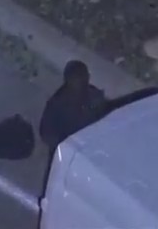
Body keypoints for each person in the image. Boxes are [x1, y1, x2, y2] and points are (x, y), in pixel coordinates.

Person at [37, 61, 107, 206]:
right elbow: (46, 132)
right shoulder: (58, 103)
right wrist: (63, 146)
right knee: (56, 184)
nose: (78, 84)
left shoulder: (95, 98)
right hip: (65, 152)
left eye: (82, 79)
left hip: (87, 152)